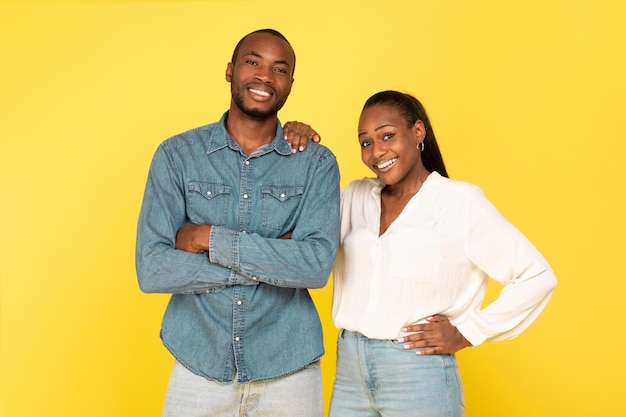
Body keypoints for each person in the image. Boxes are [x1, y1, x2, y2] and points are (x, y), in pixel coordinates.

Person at [289, 90, 557, 417]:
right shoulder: (354, 196)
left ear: (417, 133)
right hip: (349, 371)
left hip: (418, 375)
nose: (377, 152)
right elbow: (294, 236)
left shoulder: (460, 202)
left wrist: (468, 332)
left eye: (387, 136)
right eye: (366, 142)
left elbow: (536, 276)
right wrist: (293, 149)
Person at [135, 28, 340, 417]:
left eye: (279, 69)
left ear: (290, 84)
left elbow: (314, 266)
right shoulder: (176, 155)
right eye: (252, 62)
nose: (265, 76)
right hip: (197, 366)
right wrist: (273, 259)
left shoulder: (316, 163)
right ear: (230, 71)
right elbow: (153, 269)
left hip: (289, 369)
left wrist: (209, 238)